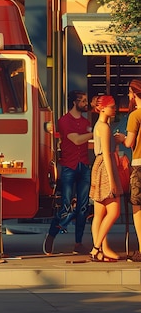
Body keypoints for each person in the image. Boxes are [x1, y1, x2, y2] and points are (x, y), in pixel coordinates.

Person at [43, 91, 92, 255]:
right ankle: (52, 234)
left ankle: (78, 243)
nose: (86, 103)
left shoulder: (86, 121)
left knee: (83, 208)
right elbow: (76, 139)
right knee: (66, 207)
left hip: (84, 165)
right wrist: (95, 133)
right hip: (69, 167)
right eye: (83, 101)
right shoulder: (64, 121)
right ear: (74, 103)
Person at [89, 95, 122, 262]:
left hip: (97, 165)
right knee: (114, 211)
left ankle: (100, 249)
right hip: (105, 165)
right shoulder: (105, 127)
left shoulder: (99, 125)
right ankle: (96, 248)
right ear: (102, 108)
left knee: (99, 213)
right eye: (112, 106)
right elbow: (108, 156)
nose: (114, 109)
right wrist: (112, 180)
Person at [122, 79, 141, 262]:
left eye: (129, 93)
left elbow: (129, 142)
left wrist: (120, 138)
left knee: (138, 208)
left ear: (134, 94)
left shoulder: (135, 115)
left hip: (139, 163)